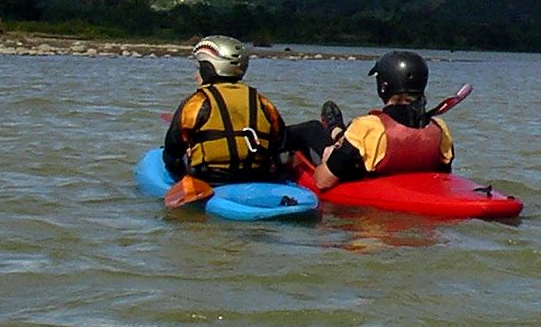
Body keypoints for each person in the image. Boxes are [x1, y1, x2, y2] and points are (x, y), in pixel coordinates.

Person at [161, 35, 288, 202]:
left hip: (211, 181)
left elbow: (172, 151)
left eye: (200, 67)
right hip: (258, 177)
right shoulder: (263, 102)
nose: (195, 75)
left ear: (209, 68)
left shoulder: (197, 103)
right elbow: (280, 147)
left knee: (168, 155)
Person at [310, 50, 454, 190]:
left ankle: (334, 132)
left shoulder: (367, 126)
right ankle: (337, 132)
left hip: (369, 187)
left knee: (311, 129)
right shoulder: (440, 128)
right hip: (415, 191)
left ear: (383, 86)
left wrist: (327, 161)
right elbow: (445, 175)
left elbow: (322, 182)